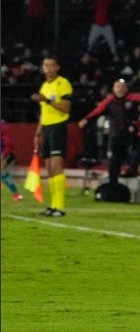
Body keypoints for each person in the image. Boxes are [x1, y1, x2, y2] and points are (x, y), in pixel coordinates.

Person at [78, 79, 140, 186]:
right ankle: (113, 183)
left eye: (122, 87)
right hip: (116, 136)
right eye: (117, 87)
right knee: (114, 161)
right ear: (113, 89)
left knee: (135, 156)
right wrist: (86, 119)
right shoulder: (109, 100)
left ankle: (136, 175)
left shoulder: (132, 98)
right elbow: (97, 111)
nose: (119, 89)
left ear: (126, 88)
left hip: (131, 135)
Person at [31, 56, 73, 217]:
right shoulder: (44, 86)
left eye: (51, 65)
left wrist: (47, 100)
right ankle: (52, 205)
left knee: (56, 166)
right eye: (45, 66)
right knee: (48, 168)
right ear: (42, 68)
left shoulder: (62, 83)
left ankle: (60, 207)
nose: (48, 68)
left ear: (57, 67)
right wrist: (38, 132)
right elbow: (44, 113)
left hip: (58, 127)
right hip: (47, 129)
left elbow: (66, 107)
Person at [1, 119, 24, 201]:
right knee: (3, 174)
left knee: (2, 172)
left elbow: (8, 145)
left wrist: (3, 156)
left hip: (6, 153)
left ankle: (16, 194)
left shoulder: (2, 126)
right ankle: (16, 194)